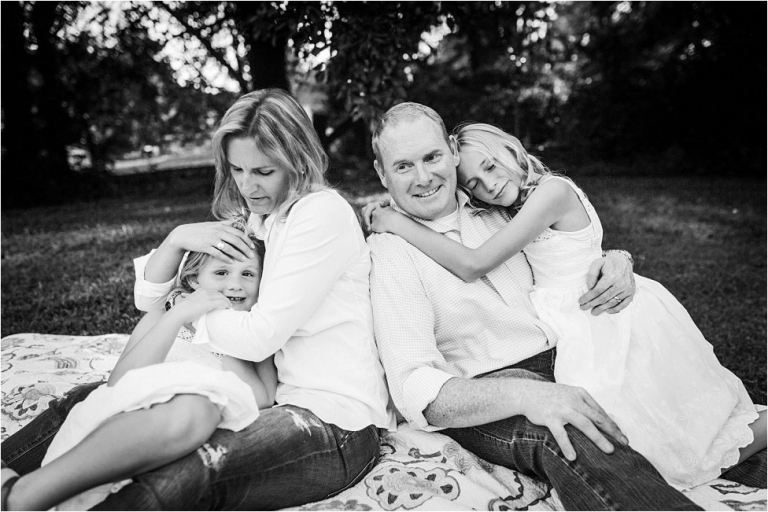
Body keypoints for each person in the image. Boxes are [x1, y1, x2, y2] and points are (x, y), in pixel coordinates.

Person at [2, 88, 395, 510]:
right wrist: (176, 242)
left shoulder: (321, 213)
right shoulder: (261, 219)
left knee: (191, 468)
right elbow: (146, 299)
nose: (247, 185)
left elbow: (259, 336)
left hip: (334, 421)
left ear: (298, 160)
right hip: (269, 403)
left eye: (263, 171)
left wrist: (187, 309)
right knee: (103, 398)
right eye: (238, 169)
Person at [364, 102, 764, 510]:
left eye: (432, 157)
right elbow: (414, 385)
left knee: (682, 436)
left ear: (452, 150)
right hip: (490, 389)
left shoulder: (499, 204)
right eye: (403, 166)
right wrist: (524, 395)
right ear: (382, 174)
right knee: (577, 433)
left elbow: (566, 249)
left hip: (575, 356)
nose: (424, 177)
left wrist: (615, 259)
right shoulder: (391, 251)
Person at [2, 225, 275, 510]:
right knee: (77, 402)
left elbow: (263, 398)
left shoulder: (256, 334)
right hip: (121, 415)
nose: (235, 285)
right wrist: (179, 316)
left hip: (171, 434)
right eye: (221, 273)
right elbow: (120, 383)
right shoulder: (166, 314)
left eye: (248, 274)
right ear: (194, 281)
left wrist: (223, 331)